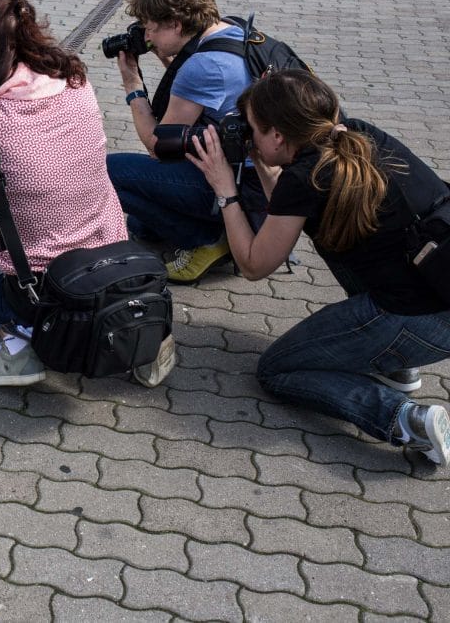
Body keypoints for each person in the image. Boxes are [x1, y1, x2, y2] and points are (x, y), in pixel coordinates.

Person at [186, 69, 450, 463]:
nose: (248, 136)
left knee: (277, 370)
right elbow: (294, 210)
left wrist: (225, 189)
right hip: (436, 284)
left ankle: (405, 418)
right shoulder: (356, 136)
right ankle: (395, 363)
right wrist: (261, 161)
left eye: (253, 129)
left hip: (423, 316)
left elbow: (255, 265)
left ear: (278, 135)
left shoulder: (307, 177)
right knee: (342, 241)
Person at [0, 0, 172, 388]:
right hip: (113, 260)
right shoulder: (73, 81)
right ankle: (143, 340)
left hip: (47, 293)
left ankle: (18, 344)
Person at [108, 0, 259, 283]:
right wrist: (167, 57)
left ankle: (207, 238)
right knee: (140, 224)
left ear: (176, 24)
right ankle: (203, 225)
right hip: (257, 181)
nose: (147, 38)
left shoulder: (202, 66)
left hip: (233, 185)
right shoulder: (231, 30)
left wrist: (132, 84)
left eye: (151, 28)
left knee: (106, 172)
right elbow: (198, 96)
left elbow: (158, 144)